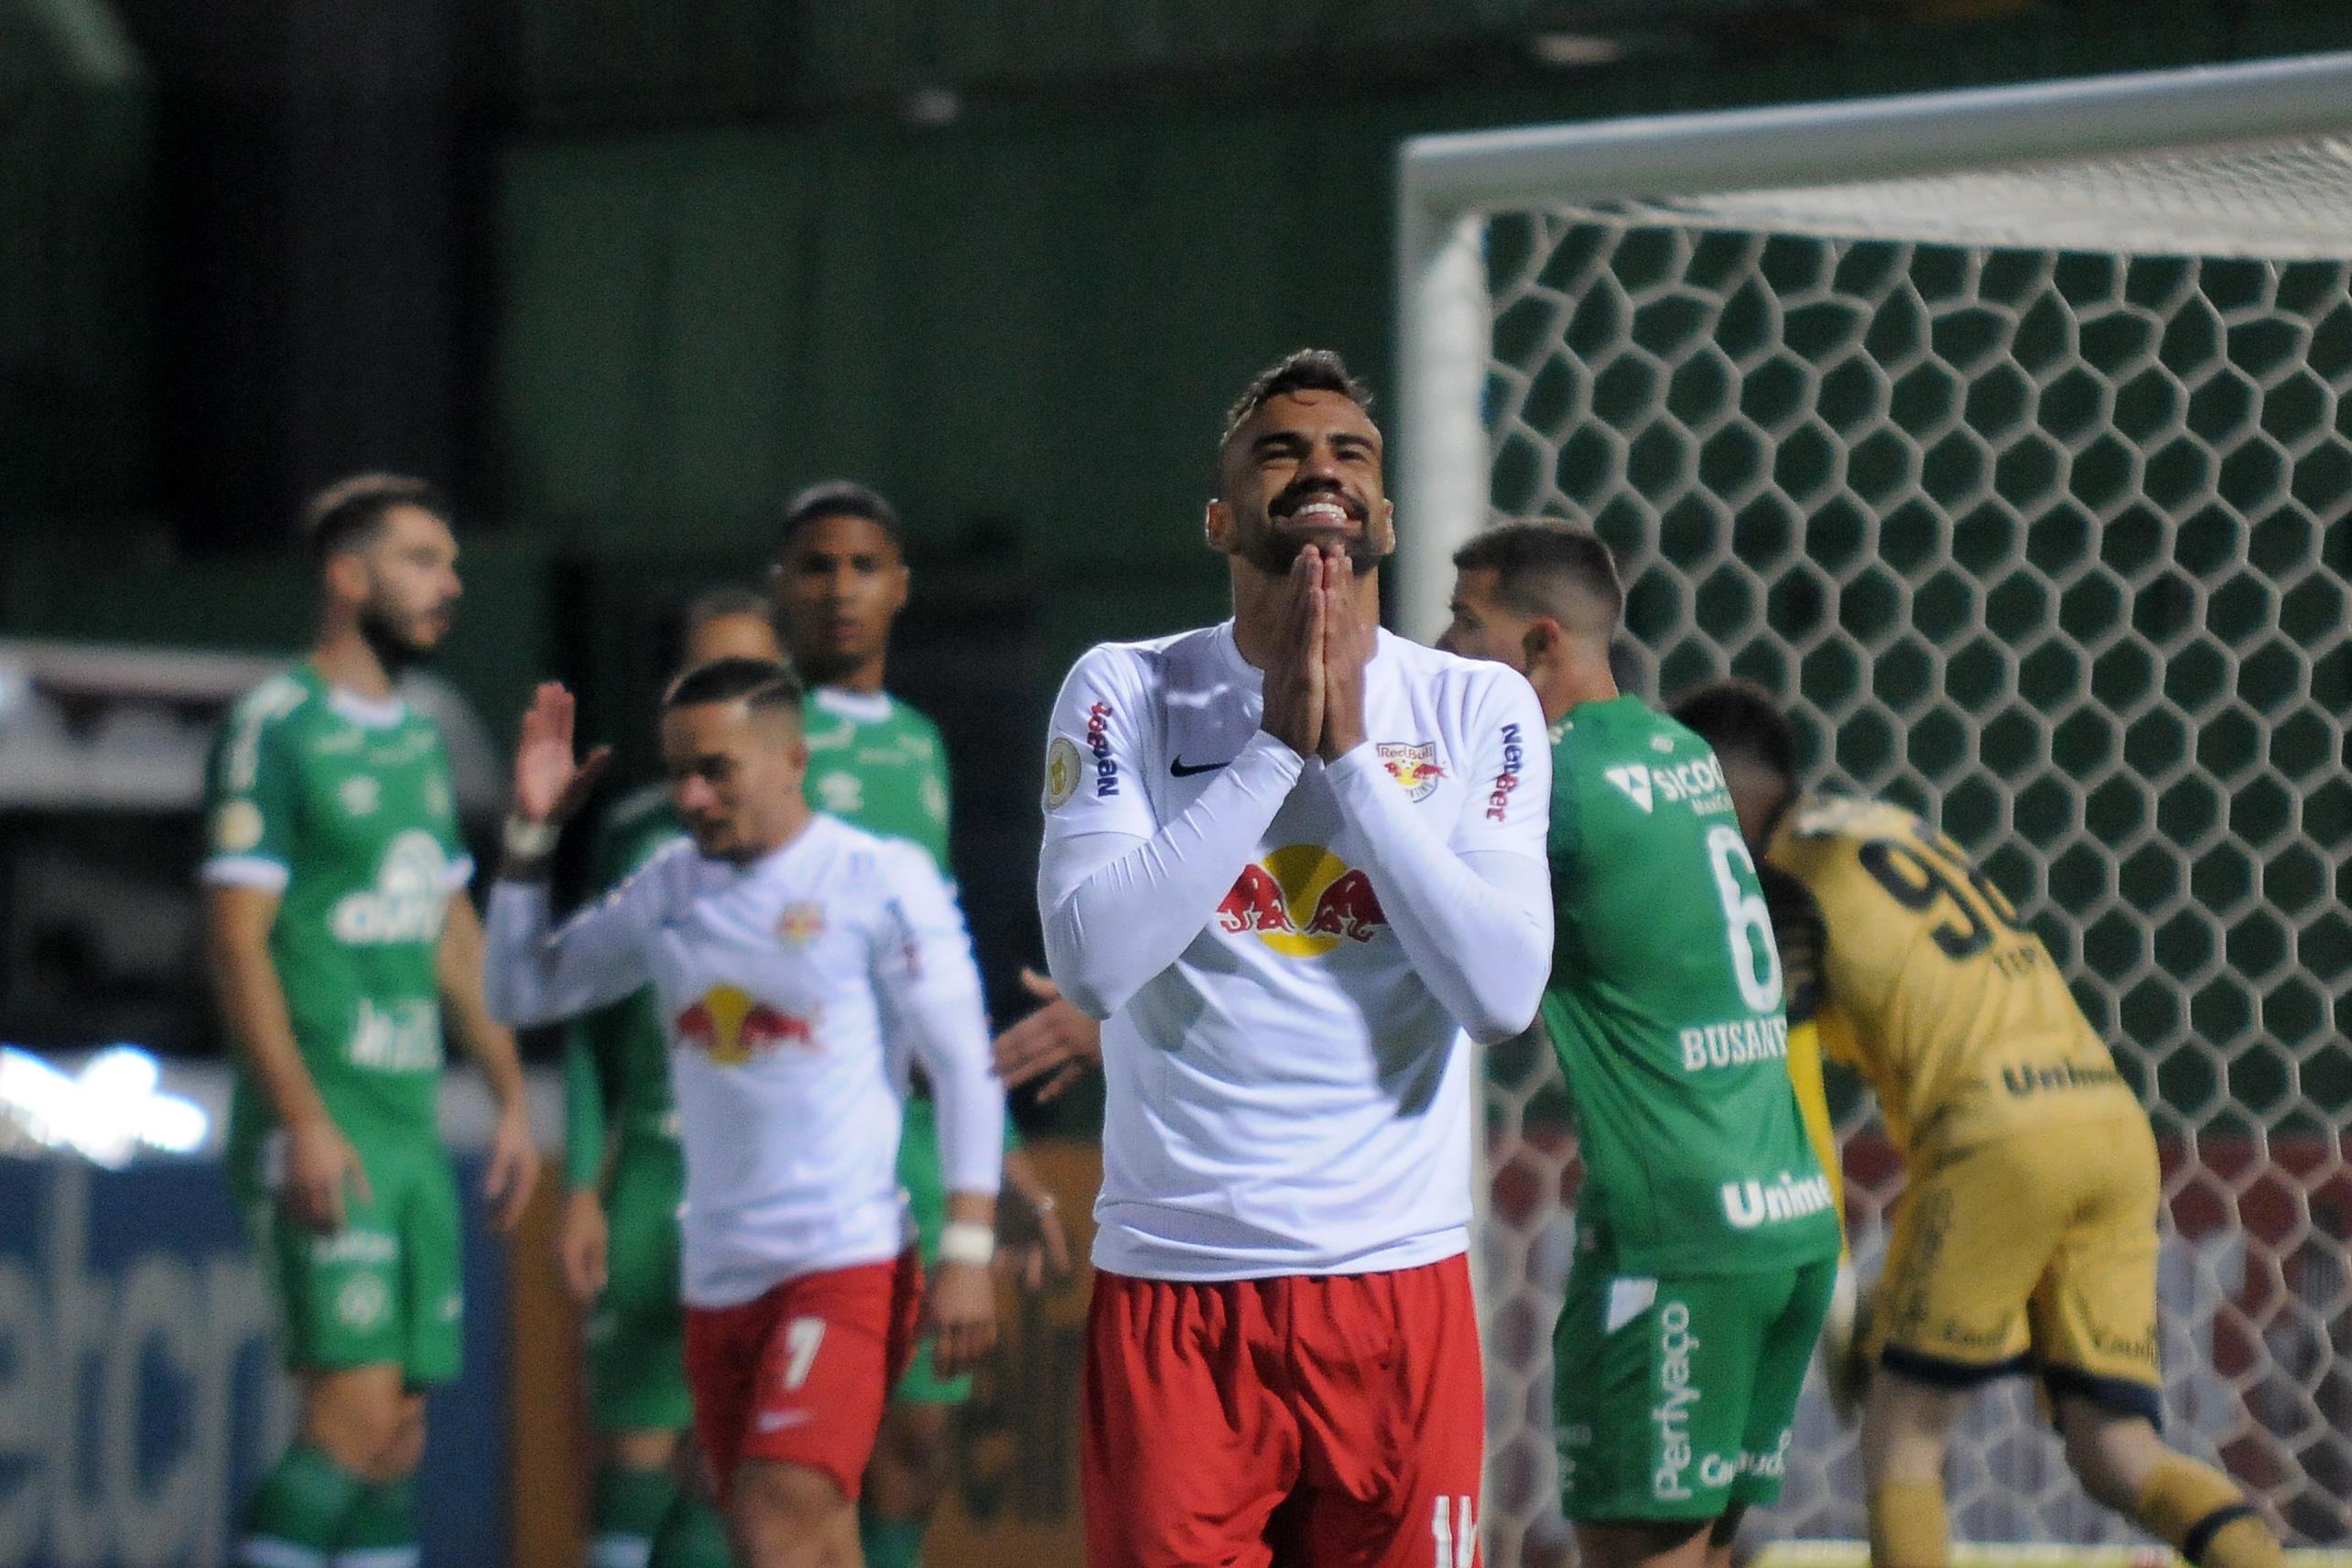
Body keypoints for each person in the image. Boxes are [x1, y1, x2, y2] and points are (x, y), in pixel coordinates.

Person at [1038, 350, 1553, 1568]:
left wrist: (1354, 768)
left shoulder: (1480, 711)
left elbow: (1500, 993)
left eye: (1348, 454)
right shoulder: (1125, 689)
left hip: (1395, 1284)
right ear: (1220, 517)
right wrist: (1272, 757)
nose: (1318, 465)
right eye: (1280, 449)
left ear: (1383, 518)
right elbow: (1093, 966)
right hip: (1179, 1283)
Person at [1669, 679, 2288, 1568]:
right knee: (2117, 1452)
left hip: (1995, 1135)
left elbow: (1792, 1091)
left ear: (1714, 792)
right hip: (2107, 1119)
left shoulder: (1771, 888)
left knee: (1901, 1436)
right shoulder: (1886, 824)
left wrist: (1836, 1292)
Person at [486, 659, 1005, 1568]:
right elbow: (524, 987)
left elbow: (965, 1064)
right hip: (719, 1276)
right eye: (677, 771)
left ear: (791, 761)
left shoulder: (876, 878)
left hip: (845, 1262)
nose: (691, 794)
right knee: (806, 1533)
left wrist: (966, 1248)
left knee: (774, 1518)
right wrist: (530, 838)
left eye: (715, 768)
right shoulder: (669, 888)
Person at [1436, 523, 1840, 1568]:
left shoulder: (1548, 789)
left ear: (1537, 645)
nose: (1441, 646)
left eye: (1462, 622)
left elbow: (1472, 976)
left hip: (1677, 1246)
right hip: (1783, 1220)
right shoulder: (1682, 752)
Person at [203, 473, 539, 1568]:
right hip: (324, 1115)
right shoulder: (274, 726)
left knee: (395, 1436)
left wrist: (507, 1095)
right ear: (348, 578)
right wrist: (300, 1117)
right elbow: (237, 939)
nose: (448, 587)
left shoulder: (418, 738)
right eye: (421, 562)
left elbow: (450, 934)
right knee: (347, 1420)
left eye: (450, 563)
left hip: (404, 1126)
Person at [767, 481, 1072, 1568]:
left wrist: (1008, 1162)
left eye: (861, 566)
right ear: (781, 587)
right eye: (815, 565)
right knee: (777, 1469)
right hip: (793, 1142)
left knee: (919, 1438)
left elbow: (931, 978)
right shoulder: (752, 739)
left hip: (906, 1134)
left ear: (901, 587)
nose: (839, 589)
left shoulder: (916, 750)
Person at [556, 589, 794, 1568]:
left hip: (789, 1192)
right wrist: (580, 1182)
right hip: (661, 1177)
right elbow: (588, 1025)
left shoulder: (836, 849)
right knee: (642, 1454)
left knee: (766, 1465)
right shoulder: (639, 837)